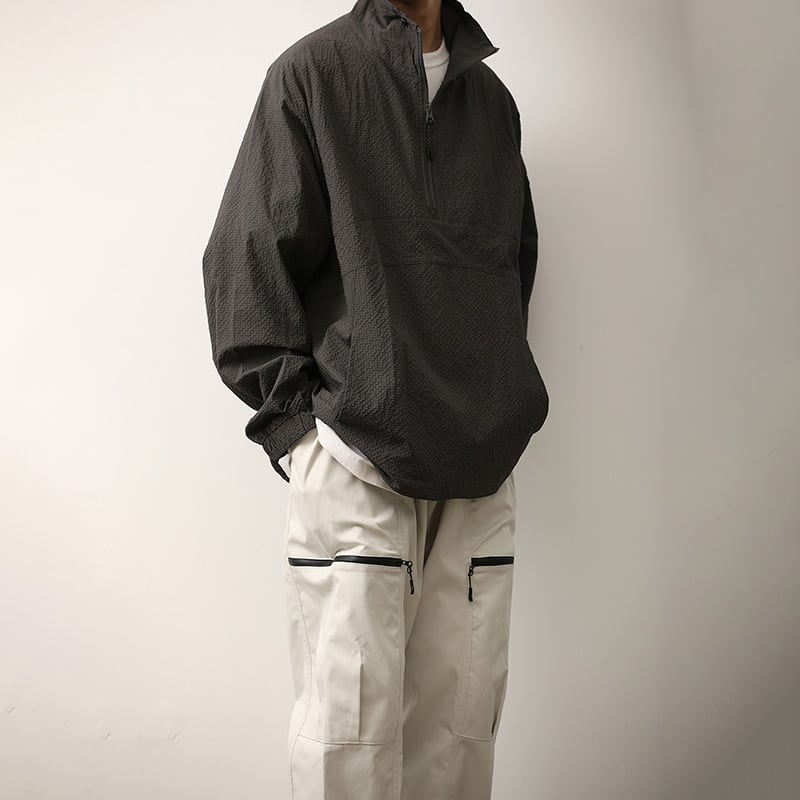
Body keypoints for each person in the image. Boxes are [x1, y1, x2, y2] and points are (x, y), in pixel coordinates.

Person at [201, 0, 549, 796]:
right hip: (356, 462)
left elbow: (511, 269)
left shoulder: (492, 104)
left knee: (459, 750)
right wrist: (298, 435)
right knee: (347, 751)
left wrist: (496, 392)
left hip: (480, 474)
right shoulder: (313, 75)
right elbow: (244, 261)